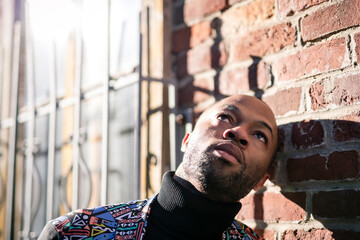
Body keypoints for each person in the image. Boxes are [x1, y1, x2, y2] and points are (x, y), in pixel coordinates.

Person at [39, 94, 278, 240]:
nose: (237, 132)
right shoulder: (72, 233)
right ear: (187, 140)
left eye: (260, 135)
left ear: (261, 181)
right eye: (225, 117)